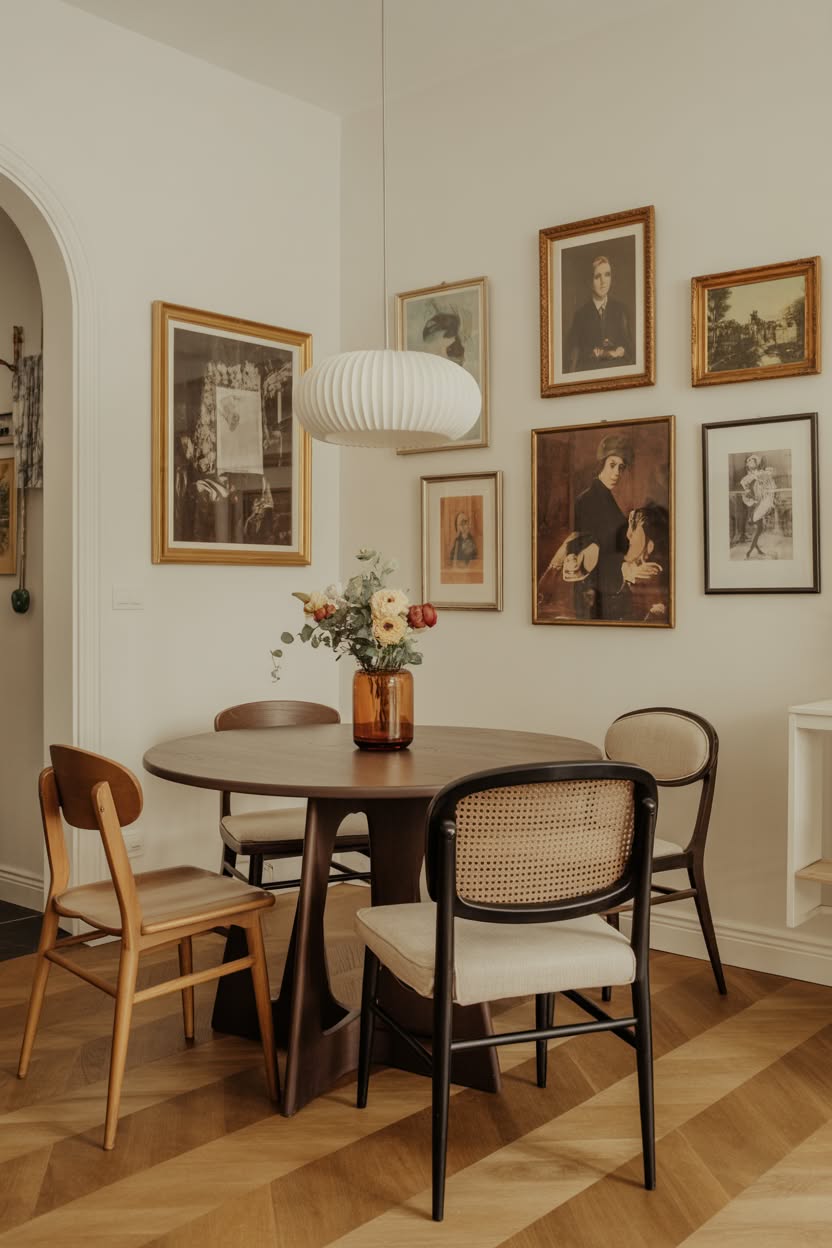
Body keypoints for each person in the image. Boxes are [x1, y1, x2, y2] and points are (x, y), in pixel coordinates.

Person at [566, 254, 634, 372]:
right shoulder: (581, 315)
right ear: (589, 281)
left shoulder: (621, 310)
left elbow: (631, 349)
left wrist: (621, 351)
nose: (603, 281)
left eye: (607, 275)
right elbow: (573, 354)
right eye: (597, 276)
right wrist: (594, 353)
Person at [740, 453, 776, 559]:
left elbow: (769, 484)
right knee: (759, 528)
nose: (750, 462)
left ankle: (755, 550)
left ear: (756, 463)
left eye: (752, 461)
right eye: (748, 461)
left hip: (761, 501)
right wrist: (751, 498)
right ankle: (750, 551)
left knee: (759, 529)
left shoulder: (762, 473)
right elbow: (745, 489)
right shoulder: (747, 478)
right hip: (753, 504)